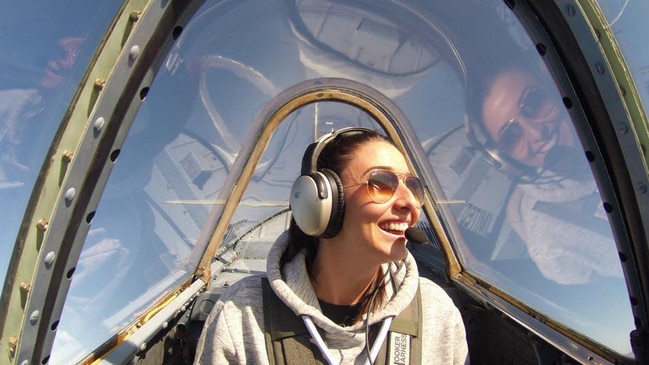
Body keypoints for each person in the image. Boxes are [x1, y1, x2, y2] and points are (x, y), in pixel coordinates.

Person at [194, 128, 469, 364]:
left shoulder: (435, 313)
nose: (410, 203)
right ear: (321, 201)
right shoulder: (243, 314)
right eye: (382, 183)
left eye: (413, 186)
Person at [467, 64, 623, 285]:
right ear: (507, 160)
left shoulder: (622, 107)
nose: (536, 132)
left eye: (533, 102)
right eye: (511, 136)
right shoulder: (549, 239)